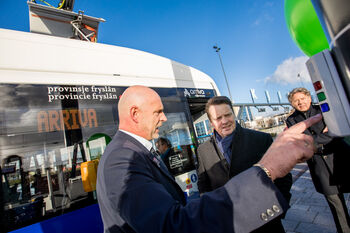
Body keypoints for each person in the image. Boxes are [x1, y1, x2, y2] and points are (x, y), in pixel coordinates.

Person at [97, 85, 321, 233]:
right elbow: (171, 224)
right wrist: (267, 169)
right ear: (135, 114)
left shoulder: (133, 151)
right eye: (158, 112)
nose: (164, 118)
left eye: (227, 115)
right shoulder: (123, 158)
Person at [196, 96, 293, 233]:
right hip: (229, 224)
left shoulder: (260, 139)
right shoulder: (202, 151)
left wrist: (277, 210)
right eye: (218, 118)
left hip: (266, 222)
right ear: (211, 122)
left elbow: (283, 176)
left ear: (233, 114)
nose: (224, 121)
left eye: (227, 115)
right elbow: (204, 185)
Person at [286, 87, 350, 233]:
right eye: (296, 101)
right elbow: (297, 143)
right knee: (336, 205)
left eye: (302, 98)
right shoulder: (291, 120)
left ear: (309, 98)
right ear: (292, 104)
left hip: (340, 159)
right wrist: (321, 138)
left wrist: (310, 142)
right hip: (319, 167)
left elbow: (335, 133)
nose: (300, 102)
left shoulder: (324, 110)